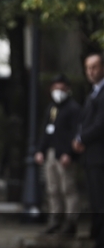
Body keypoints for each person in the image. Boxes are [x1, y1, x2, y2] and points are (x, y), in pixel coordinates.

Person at [34, 74, 81, 236]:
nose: (58, 92)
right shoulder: (52, 108)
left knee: (67, 188)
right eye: (56, 88)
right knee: (52, 188)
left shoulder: (73, 109)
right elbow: (46, 131)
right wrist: (40, 150)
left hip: (64, 155)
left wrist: (69, 153)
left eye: (61, 88)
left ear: (67, 89)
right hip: (51, 153)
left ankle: (70, 221)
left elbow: (76, 133)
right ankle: (55, 220)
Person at [73, 51, 104, 248]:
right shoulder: (93, 92)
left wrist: (81, 138)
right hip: (92, 158)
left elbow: (100, 124)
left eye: (94, 67)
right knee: (95, 204)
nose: (91, 72)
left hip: (99, 158)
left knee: (100, 205)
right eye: (87, 68)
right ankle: (97, 247)